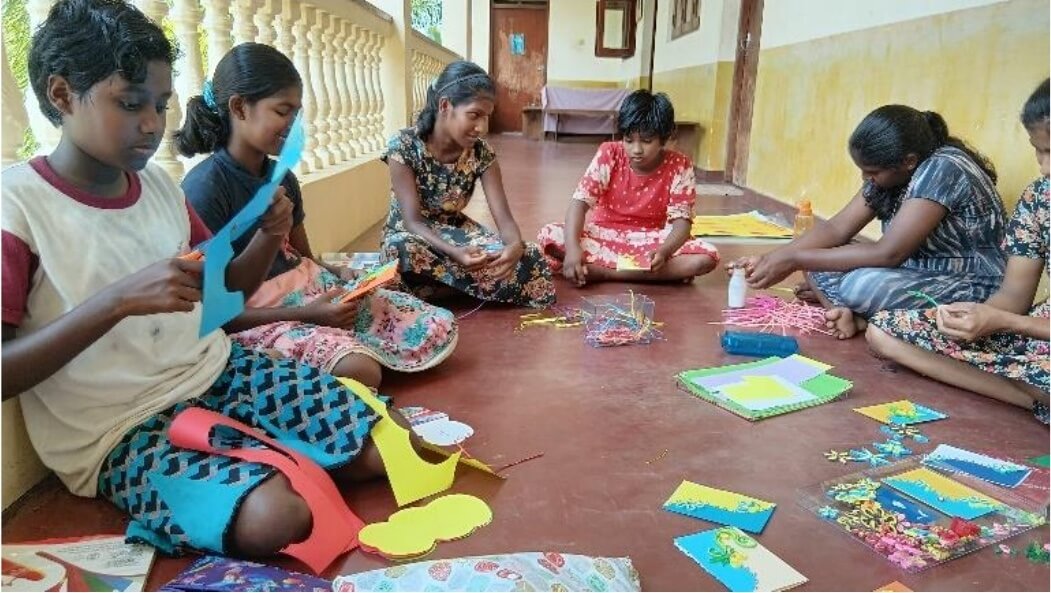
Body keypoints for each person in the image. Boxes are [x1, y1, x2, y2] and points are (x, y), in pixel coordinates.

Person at [2, 0, 391, 558]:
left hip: (218, 371)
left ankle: (274, 447)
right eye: (130, 103)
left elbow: (223, 302)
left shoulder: (161, 190)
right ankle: (264, 462)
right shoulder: (17, 209)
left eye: (160, 105)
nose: (153, 124)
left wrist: (264, 237)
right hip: (120, 429)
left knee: (379, 449)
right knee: (277, 517)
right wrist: (115, 302)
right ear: (62, 95)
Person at [178, 43, 458, 388]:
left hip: (309, 292)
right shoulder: (205, 189)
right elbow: (216, 313)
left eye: (297, 113)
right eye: (283, 111)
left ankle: (339, 343)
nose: (294, 126)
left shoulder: (283, 178)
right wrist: (310, 315)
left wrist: (342, 275)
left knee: (432, 323)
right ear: (239, 107)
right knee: (361, 369)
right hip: (257, 317)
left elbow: (303, 258)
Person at [730, 105, 1007, 339]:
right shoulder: (896, 171)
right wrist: (773, 257)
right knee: (816, 254)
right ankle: (848, 314)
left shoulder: (944, 167)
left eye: (871, 172)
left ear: (908, 161)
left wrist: (794, 260)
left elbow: (888, 253)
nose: (865, 179)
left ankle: (855, 311)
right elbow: (837, 228)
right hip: (912, 272)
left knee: (858, 284)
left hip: (973, 284)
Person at [867, 79, 1050, 424]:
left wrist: (1006, 321)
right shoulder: (1040, 198)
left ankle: (1038, 395)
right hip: (1035, 338)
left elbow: (1012, 317)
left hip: (1034, 337)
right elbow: (1013, 294)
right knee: (884, 332)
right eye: (1038, 151)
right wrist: (973, 317)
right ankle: (1034, 399)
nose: (1044, 167)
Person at [381, 60, 555, 308]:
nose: (481, 128)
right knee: (398, 250)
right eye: (474, 115)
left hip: (459, 235)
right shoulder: (404, 145)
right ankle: (464, 288)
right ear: (444, 105)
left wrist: (514, 246)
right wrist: (455, 254)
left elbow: (504, 220)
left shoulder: (482, 153)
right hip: (416, 236)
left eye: (486, 118)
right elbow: (412, 222)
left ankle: (437, 289)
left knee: (532, 256)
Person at [536, 90, 719, 286]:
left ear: (664, 138)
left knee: (706, 257)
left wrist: (664, 252)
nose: (636, 149)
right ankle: (646, 274)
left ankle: (602, 272)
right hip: (603, 235)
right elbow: (579, 204)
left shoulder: (679, 165)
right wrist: (573, 250)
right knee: (549, 235)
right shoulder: (610, 153)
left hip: (650, 242)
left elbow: (682, 223)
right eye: (629, 140)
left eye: (647, 141)